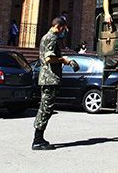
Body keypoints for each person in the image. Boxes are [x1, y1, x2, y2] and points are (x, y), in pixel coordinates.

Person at [32, 17, 78, 150]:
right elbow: (49, 58)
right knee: (46, 109)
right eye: (63, 29)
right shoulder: (52, 38)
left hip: (47, 78)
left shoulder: (45, 37)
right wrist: (64, 60)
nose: (64, 32)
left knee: (46, 108)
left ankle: (39, 138)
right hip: (50, 79)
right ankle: (38, 140)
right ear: (58, 26)